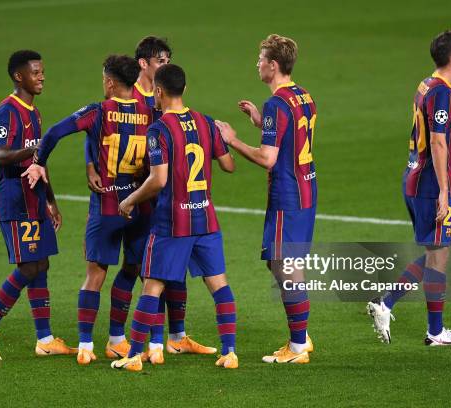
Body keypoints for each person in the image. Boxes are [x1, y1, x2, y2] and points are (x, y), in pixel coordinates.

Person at [84, 37, 209, 360]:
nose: (165, 65)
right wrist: (90, 164)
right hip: (133, 194)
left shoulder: (163, 96)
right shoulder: (131, 96)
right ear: (143, 64)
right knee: (137, 267)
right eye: (160, 60)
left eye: (168, 59)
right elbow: (98, 130)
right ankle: (129, 338)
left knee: (165, 268)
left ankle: (175, 337)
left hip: (160, 194)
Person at [112, 64, 238, 371]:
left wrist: (128, 200)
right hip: (205, 219)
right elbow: (228, 165)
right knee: (219, 285)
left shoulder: (159, 130)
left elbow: (158, 180)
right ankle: (229, 352)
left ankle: (134, 356)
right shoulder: (206, 122)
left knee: (152, 287)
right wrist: (228, 138)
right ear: (184, 89)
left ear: (158, 91)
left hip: (173, 222)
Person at [367, 31, 451, 346]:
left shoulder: (425, 84)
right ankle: (387, 304)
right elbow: (439, 142)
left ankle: (435, 331)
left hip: (415, 176)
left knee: (436, 251)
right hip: (430, 183)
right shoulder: (443, 93)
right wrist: (444, 190)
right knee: (438, 252)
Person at [216, 34, 316, 364]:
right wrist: (261, 123)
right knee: (289, 265)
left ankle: (298, 345)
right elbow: (294, 136)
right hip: (307, 189)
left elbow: (267, 159)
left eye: (260, 59)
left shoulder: (277, 103)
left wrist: (232, 140)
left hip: (287, 194)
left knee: (285, 268)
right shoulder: (302, 95)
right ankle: (301, 336)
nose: (256, 64)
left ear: (273, 65)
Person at [0, 50, 75, 361]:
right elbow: (0, 155)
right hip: (13, 198)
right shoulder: (7, 111)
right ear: (19, 76)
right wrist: (32, 146)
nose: (42, 76)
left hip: (34, 197)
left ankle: (44, 339)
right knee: (28, 266)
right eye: (35, 72)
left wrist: (51, 201)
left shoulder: (35, 113)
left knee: (41, 263)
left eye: (42, 71)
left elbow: (38, 160)